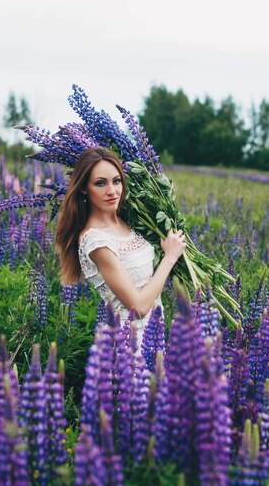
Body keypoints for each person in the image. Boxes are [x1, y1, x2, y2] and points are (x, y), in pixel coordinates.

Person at [55, 147, 185, 347]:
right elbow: (139, 307)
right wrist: (169, 258)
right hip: (128, 345)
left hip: (154, 336)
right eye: (100, 183)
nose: (112, 191)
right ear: (83, 188)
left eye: (116, 181)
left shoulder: (128, 220)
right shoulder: (96, 241)